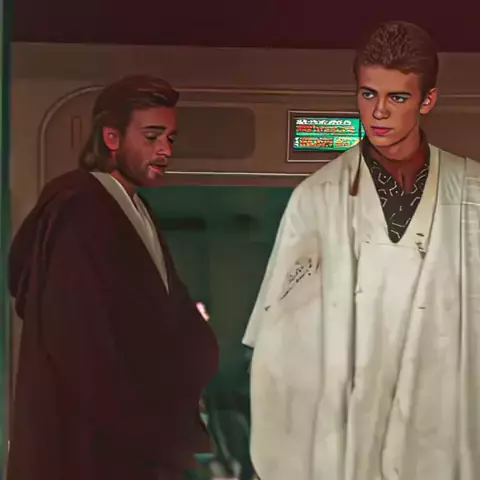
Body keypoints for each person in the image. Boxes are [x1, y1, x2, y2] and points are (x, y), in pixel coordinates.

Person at [243, 21, 480, 480]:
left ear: (427, 100)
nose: (379, 112)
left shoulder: (472, 194)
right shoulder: (316, 200)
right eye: (369, 94)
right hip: (348, 449)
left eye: (398, 97)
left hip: (450, 441)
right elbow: (279, 348)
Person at [8, 75, 219, 480]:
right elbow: (82, 343)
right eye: (152, 136)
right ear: (111, 138)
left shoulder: (135, 210)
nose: (165, 150)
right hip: (92, 448)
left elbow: (171, 313)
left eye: (170, 138)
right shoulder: (80, 209)